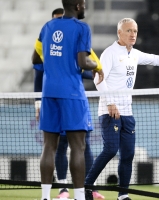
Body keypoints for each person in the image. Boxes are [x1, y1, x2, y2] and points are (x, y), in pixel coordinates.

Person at [84, 18, 159, 200]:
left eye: (135, 31)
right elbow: (99, 80)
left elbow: (155, 60)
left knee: (128, 154)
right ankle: (86, 187)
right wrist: (111, 102)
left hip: (127, 113)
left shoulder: (134, 54)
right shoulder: (109, 53)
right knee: (111, 149)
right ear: (119, 33)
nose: (133, 34)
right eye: (129, 31)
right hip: (109, 111)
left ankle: (123, 195)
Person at [31, 0, 104, 199]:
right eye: (84, 5)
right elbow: (83, 61)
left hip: (49, 93)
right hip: (71, 93)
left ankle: (45, 197)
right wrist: (97, 67)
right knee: (78, 146)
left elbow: (36, 59)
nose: (85, 9)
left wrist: (55, 61)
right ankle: (80, 196)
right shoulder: (82, 27)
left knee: (49, 146)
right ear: (79, 6)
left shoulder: (47, 26)